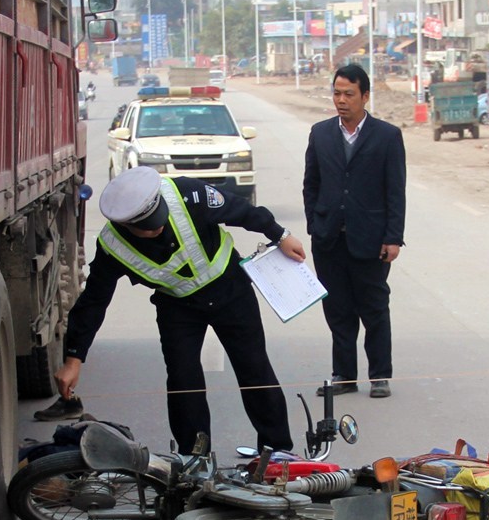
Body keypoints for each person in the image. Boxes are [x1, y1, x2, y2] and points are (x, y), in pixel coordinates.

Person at [53, 166, 305, 454]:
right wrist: (74, 358)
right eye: (148, 227)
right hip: (177, 305)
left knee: (254, 369)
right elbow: (94, 301)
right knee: (183, 380)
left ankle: (278, 451)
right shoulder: (112, 245)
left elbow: (241, 210)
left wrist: (281, 235)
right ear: (126, 225)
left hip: (230, 289)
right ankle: (194, 457)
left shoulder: (186, 193)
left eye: (158, 218)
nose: (158, 227)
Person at [302, 63, 406, 398]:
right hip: (329, 239)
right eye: (336, 93)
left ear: (365, 96)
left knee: (374, 308)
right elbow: (311, 184)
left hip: (371, 240)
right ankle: (344, 376)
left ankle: (380, 375)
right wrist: (315, 225)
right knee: (337, 309)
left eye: (349, 94)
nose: (341, 100)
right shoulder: (320, 134)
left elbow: (395, 190)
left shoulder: (387, 136)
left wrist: (393, 237)